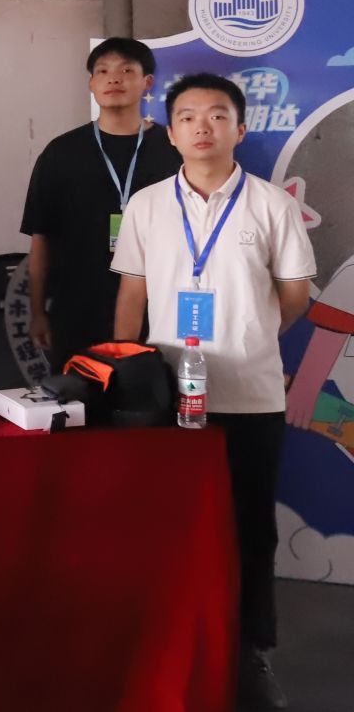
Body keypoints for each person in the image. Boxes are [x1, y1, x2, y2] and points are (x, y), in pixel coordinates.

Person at [111, 72, 316, 712]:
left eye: (218, 115)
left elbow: (295, 293)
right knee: (169, 523)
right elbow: (133, 293)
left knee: (252, 526)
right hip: (166, 397)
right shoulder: (146, 205)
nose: (203, 126)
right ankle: (169, 641)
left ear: (240, 129)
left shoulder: (272, 205)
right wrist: (121, 372)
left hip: (251, 393)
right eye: (189, 116)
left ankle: (249, 649)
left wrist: (253, 335)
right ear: (170, 133)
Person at [20, 38, 182, 368]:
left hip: (161, 310)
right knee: (80, 395)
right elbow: (41, 239)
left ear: (147, 82)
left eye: (127, 70)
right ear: (91, 84)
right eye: (103, 71)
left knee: (153, 394)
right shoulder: (60, 153)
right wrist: (37, 311)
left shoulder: (174, 149)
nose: (114, 79)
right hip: (76, 310)